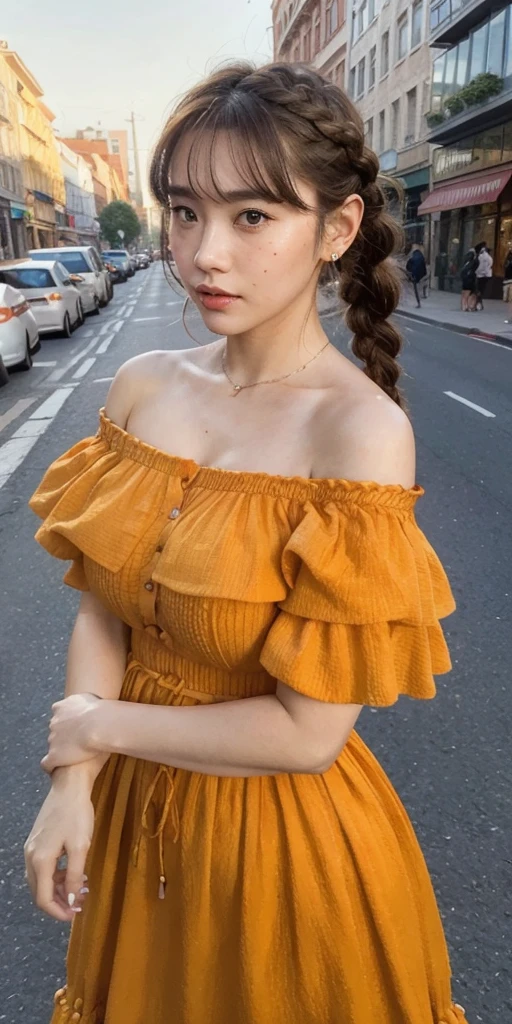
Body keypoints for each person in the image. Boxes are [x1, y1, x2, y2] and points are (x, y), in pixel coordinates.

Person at [24, 62, 469, 1024]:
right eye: (184, 213)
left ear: (337, 231)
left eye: (253, 217)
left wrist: (95, 730)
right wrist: (76, 785)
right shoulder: (144, 383)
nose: (204, 255)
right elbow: (104, 603)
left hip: (270, 843)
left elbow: (307, 735)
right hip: (136, 816)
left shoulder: (358, 436)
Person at [406, 243, 427, 307]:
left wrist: (412, 275)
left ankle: (418, 303)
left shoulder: (413, 257)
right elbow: (424, 267)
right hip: (422, 275)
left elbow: (408, 266)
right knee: (421, 287)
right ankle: (423, 296)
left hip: (415, 275)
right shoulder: (421, 257)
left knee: (416, 290)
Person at [474, 242, 493, 310]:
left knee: (479, 289)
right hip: (485, 275)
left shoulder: (481, 257)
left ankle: (478, 303)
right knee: (481, 289)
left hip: (481, 275)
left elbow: (481, 266)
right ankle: (479, 303)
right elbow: (489, 266)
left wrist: (478, 272)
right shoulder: (488, 257)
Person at [503, 247, 512, 323]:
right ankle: (509, 318)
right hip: (509, 281)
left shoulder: (507, 262)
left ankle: (509, 318)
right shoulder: (507, 261)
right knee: (510, 301)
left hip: (508, 281)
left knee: (510, 301)